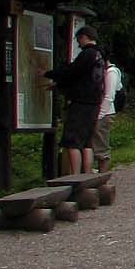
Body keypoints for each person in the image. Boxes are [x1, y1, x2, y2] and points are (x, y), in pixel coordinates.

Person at [45, 25, 107, 175]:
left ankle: (75, 177)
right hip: (94, 102)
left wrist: (50, 74)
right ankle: (87, 175)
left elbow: (72, 72)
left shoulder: (87, 54)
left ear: (84, 37)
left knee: (72, 141)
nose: (78, 43)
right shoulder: (100, 55)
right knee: (86, 142)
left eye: (79, 39)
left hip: (81, 102)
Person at [95, 58, 125, 171]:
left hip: (105, 113)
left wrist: (100, 114)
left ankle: (103, 176)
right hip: (101, 112)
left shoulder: (111, 72)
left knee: (102, 149)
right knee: (96, 146)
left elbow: (109, 96)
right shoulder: (104, 72)